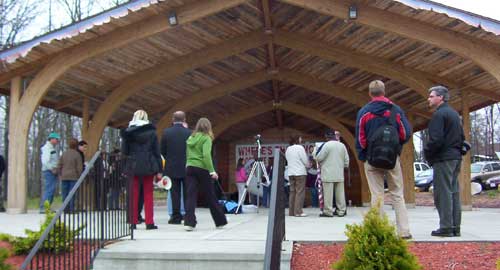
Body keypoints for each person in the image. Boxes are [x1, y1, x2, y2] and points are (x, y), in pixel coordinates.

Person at [355, 80, 412, 239]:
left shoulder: (364, 112)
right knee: (397, 194)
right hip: (392, 159)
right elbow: (404, 134)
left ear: (370, 93)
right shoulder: (395, 110)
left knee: (377, 194)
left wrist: (364, 156)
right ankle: (404, 231)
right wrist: (396, 148)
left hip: (372, 159)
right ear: (384, 92)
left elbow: (361, 138)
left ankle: (379, 231)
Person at [424, 86, 464, 237]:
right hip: (455, 157)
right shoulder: (454, 114)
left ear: (440, 97)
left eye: (431, 96)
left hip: (443, 158)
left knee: (443, 193)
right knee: (454, 192)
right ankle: (455, 226)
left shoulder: (439, 115)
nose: (429, 98)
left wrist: (428, 154)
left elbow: (436, 140)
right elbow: (462, 137)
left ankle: (446, 226)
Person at [120, 110, 162, 230]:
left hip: (132, 165)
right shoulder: (152, 132)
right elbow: (156, 152)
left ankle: (133, 221)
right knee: (148, 194)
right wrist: (159, 169)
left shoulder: (128, 133)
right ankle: (149, 222)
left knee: (133, 194)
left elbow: (124, 152)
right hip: (148, 164)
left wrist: (124, 167)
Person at [184, 117, 227, 231]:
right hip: (202, 168)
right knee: (210, 195)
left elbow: (188, 153)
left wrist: (188, 164)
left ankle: (189, 222)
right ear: (208, 127)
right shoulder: (206, 138)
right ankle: (220, 221)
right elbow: (206, 155)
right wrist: (212, 171)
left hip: (190, 167)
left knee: (190, 196)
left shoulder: (190, 137)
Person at [161, 111, 191, 224]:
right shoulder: (189, 133)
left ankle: (176, 216)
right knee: (187, 193)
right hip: (187, 166)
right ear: (184, 119)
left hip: (171, 167)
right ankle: (188, 215)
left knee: (174, 193)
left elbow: (162, 151)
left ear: (173, 119)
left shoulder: (166, 132)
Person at [314, 130, 349, 217]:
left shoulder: (326, 145)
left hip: (328, 173)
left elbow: (319, 158)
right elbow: (346, 160)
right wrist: (343, 167)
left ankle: (328, 211)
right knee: (340, 194)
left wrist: (315, 152)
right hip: (339, 173)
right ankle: (341, 211)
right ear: (334, 136)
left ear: (326, 137)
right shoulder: (342, 145)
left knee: (328, 195)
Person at [285, 135, 309, 217]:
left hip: (291, 172)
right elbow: (305, 160)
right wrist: (308, 165)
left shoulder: (288, 149)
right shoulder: (300, 148)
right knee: (300, 192)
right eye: (300, 138)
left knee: (292, 192)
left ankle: (291, 212)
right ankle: (298, 212)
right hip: (300, 172)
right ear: (297, 139)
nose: (301, 139)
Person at [58, 138, 83, 213]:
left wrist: (60, 174)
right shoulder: (77, 154)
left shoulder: (64, 153)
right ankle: (72, 209)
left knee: (64, 193)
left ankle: (65, 209)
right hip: (74, 176)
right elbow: (79, 167)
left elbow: (60, 164)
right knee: (72, 193)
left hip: (64, 176)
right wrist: (79, 175)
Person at [40, 132, 60, 213]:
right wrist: (52, 168)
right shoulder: (47, 148)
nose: (57, 141)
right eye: (56, 139)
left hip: (52, 171)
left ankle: (48, 207)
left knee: (51, 190)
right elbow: (45, 161)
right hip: (49, 171)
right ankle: (44, 208)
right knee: (49, 190)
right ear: (51, 139)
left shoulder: (52, 148)